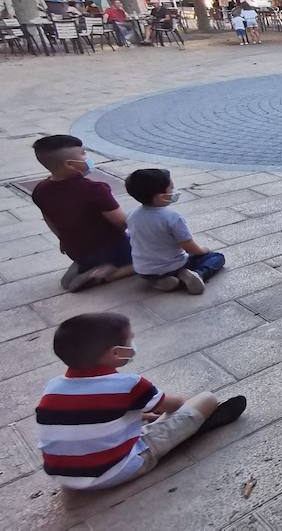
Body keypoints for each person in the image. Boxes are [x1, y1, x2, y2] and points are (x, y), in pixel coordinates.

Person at [36, 312, 247, 490]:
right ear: (116, 352)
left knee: (143, 415)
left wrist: (140, 414)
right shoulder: (129, 384)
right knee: (207, 399)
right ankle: (195, 427)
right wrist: (185, 408)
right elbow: (175, 405)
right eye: (130, 340)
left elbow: (86, 415)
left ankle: (164, 425)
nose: (133, 344)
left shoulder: (52, 388)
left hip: (64, 478)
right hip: (112, 471)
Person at [30, 135, 133, 292]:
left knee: (88, 254)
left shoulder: (40, 190)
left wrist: (62, 239)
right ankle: (107, 273)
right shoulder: (95, 190)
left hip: (75, 250)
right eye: (84, 153)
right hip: (112, 249)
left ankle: (85, 266)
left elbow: (49, 220)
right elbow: (122, 223)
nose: (88, 157)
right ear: (70, 164)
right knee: (159, 257)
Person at [124, 169, 225, 294]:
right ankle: (197, 275)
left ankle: (160, 281)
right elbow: (189, 246)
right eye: (171, 189)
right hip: (174, 266)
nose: (173, 192)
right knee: (217, 257)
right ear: (162, 196)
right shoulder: (172, 217)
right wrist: (203, 250)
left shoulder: (131, 215)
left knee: (157, 271)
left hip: (144, 270)